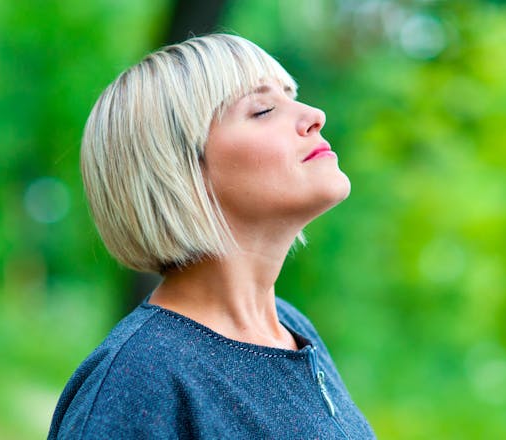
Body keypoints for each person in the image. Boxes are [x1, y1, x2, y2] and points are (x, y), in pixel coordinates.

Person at [47, 34, 375, 439]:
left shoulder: (290, 328)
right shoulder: (140, 381)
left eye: (291, 96)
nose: (314, 114)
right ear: (180, 170)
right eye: (264, 109)